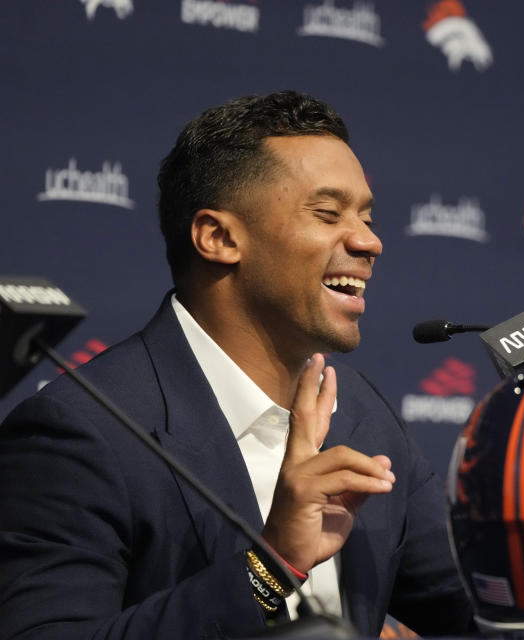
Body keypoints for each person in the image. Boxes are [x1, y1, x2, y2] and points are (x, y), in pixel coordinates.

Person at [0, 91, 472, 639]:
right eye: (328, 213)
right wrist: (269, 570)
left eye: (366, 216)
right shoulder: (81, 432)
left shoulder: (364, 413)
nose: (370, 241)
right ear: (219, 237)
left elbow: (475, 607)